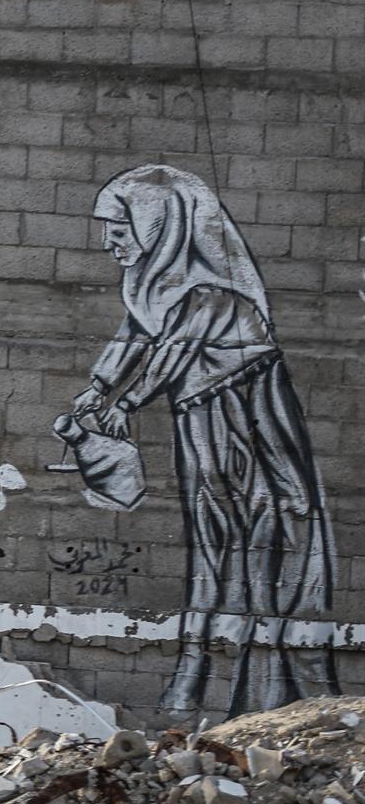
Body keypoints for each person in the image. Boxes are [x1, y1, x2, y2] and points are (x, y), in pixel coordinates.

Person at [64, 164, 334, 716]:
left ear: (159, 226)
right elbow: (134, 337)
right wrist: (95, 392)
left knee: (260, 535)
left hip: (248, 422)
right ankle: (204, 674)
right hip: (203, 419)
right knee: (217, 542)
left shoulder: (211, 290)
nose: (107, 243)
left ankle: (265, 686)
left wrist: (125, 405)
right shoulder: (153, 284)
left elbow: (172, 352)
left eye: (118, 230)